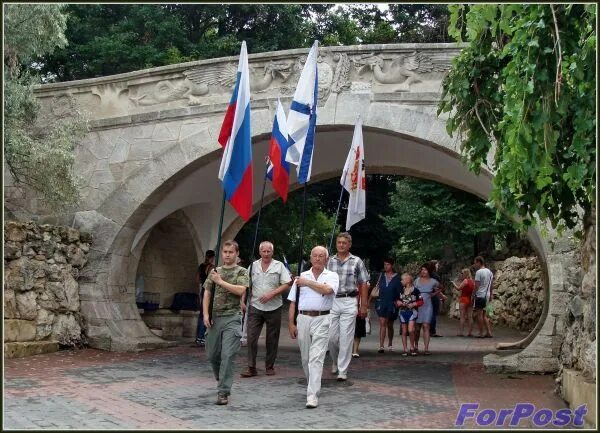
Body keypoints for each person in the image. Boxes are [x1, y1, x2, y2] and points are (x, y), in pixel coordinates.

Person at [288, 246, 339, 409]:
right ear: (310, 258)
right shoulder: (300, 277)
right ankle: (313, 383)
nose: (318, 258)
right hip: (303, 318)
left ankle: (312, 395)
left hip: (322, 318)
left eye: (321, 256)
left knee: (316, 358)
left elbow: (327, 289)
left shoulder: (331, 276)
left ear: (326, 259)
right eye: (315, 256)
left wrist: (307, 283)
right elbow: (292, 302)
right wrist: (291, 323)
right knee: (306, 358)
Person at [202, 240, 249, 405]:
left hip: (232, 317)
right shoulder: (215, 271)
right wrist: (205, 314)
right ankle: (221, 377)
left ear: (236, 253)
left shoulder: (242, 272)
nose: (227, 255)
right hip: (215, 317)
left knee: (227, 355)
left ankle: (223, 392)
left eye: (230, 252)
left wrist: (220, 281)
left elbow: (240, 290)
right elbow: (207, 292)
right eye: (225, 252)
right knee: (212, 354)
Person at [240, 241, 292, 378]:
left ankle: (269, 366)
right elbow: (245, 285)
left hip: (274, 307)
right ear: (260, 252)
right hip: (255, 306)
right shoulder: (253, 266)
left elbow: (287, 283)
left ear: (272, 252)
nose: (266, 254)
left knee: (272, 338)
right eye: (264, 251)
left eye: (269, 251)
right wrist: (242, 301)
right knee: (251, 338)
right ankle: (251, 367)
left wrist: (272, 293)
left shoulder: (279, 266)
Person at [327, 232, 369, 381]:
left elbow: (364, 283)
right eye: (339, 242)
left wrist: (364, 305)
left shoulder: (357, 261)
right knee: (331, 338)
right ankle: (335, 360)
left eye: (344, 242)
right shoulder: (329, 261)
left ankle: (342, 370)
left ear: (349, 244)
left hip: (349, 301)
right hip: (332, 301)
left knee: (346, 337)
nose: (341, 245)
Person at [374, 258, 401, 353]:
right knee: (382, 323)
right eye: (385, 264)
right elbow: (376, 288)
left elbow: (400, 291)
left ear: (392, 265)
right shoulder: (381, 276)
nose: (386, 266)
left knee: (390, 324)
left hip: (392, 303)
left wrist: (399, 301)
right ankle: (381, 345)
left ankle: (390, 343)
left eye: (388, 264)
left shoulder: (397, 277)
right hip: (381, 302)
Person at [413, 265, 440, 355]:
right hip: (417, 305)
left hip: (427, 305)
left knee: (426, 326)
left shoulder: (433, 281)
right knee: (417, 328)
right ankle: (415, 346)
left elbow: (440, 287)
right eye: (422, 270)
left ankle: (426, 348)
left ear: (429, 271)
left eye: (425, 270)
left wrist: (432, 294)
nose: (423, 271)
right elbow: (411, 290)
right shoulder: (416, 280)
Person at [395, 273, 424, 356]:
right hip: (402, 312)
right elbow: (396, 300)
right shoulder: (400, 290)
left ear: (407, 280)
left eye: (402, 279)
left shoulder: (416, 290)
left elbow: (421, 301)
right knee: (404, 331)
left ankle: (412, 347)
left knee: (411, 330)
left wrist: (414, 304)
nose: (401, 281)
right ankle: (405, 349)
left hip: (412, 312)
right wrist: (399, 303)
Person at [195, 250, 216, 346]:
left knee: (201, 314)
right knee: (206, 313)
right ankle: (202, 337)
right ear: (212, 257)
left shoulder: (201, 266)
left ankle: (198, 337)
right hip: (209, 291)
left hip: (202, 290)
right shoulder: (211, 267)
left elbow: (197, 279)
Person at [473, 256, 494, 338]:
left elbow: (477, 285)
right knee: (484, 315)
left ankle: (481, 333)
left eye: (475, 263)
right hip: (487, 295)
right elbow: (491, 284)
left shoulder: (479, 272)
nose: (474, 265)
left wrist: (473, 294)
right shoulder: (490, 272)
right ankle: (489, 332)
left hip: (480, 295)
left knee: (479, 315)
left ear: (479, 262)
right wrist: (491, 294)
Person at [452, 268, 475, 336]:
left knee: (462, 316)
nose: (461, 275)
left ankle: (461, 332)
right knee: (470, 317)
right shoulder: (472, 281)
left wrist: (453, 283)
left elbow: (458, 288)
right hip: (470, 299)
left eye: (462, 273)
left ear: (465, 273)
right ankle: (470, 332)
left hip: (464, 299)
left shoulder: (465, 281)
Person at [428, 260, 447, 337]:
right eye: (437, 265)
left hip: (426, 296)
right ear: (434, 266)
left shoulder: (426, 275)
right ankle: (432, 331)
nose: (438, 266)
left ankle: (427, 329)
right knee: (433, 313)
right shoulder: (436, 276)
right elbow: (437, 288)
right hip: (434, 296)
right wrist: (442, 296)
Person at [352, 281, 370, 358]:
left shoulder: (363, 283)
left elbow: (367, 288)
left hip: (359, 309)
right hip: (348, 308)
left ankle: (355, 350)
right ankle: (349, 349)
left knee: (358, 330)